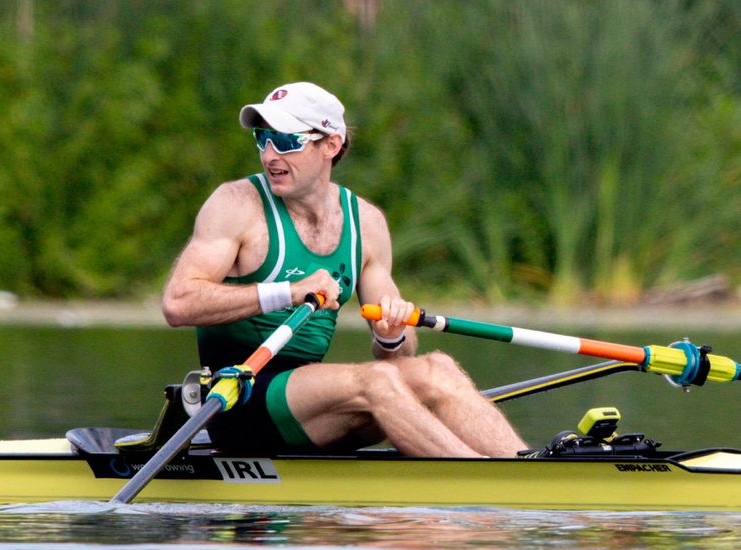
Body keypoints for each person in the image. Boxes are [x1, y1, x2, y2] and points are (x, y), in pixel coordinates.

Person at [162, 81, 528, 457]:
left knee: (439, 369)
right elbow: (179, 303)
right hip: (239, 399)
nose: (269, 154)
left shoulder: (366, 224)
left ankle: (529, 474)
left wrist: (391, 335)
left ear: (331, 145)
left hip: (315, 408)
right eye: (262, 138)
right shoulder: (236, 204)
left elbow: (397, 357)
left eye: (286, 141)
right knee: (377, 382)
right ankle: (482, 487)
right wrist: (289, 292)